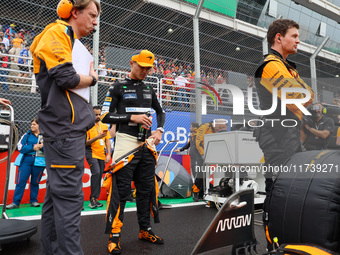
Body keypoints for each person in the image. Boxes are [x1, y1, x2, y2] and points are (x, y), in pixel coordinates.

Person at [30, 0, 101, 254]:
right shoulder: (57, 32)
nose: (95, 22)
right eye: (91, 15)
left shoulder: (71, 40)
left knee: (55, 201)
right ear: (74, 12)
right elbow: (66, 78)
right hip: (65, 132)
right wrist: (93, 78)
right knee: (70, 203)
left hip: (67, 132)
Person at [253, 19, 314, 248]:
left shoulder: (287, 67)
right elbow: (297, 98)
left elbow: (309, 95)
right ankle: (274, 245)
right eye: (295, 36)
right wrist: (303, 95)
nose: (299, 40)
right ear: (279, 38)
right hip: (276, 135)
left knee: (290, 189)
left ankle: (286, 241)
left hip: (287, 134)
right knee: (279, 190)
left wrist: (303, 95)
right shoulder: (270, 64)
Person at [101, 49, 166, 254]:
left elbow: (160, 111)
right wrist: (132, 118)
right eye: (142, 67)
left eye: (148, 69)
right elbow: (104, 116)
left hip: (146, 144)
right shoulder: (117, 87)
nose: (145, 72)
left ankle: (145, 229)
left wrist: (160, 130)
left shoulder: (149, 88)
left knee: (146, 190)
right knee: (120, 191)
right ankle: (114, 237)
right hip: (125, 144)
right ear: (131, 63)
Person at [6, 118, 45, 209]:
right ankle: (15, 202)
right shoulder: (26, 135)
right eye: (31, 124)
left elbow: (49, 149)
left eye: (34, 124)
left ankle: (34, 201)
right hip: (26, 161)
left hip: (40, 162)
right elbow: (20, 148)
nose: (32, 126)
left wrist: (42, 147)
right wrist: (33, 147)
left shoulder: (46, 136)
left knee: (35, 182)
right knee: (21, 182)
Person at [191, 119, 227, 201]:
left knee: (207, 172)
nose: (219, 130)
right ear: (216, 124)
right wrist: (203, 154)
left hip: (207, 153)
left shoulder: (214, 130)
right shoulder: (204, 127)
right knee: (201, 172)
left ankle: (202, 192)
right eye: (219, 127)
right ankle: (195, 191)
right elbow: (198, 142)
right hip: (199, 152)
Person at [86, 106, 111, 209]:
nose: (98, 116)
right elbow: (85, 143)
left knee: (99, 174)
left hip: (102, 154)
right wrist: (97, 137)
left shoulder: (104, 125)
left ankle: (95, 199)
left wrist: (109, 154)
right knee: (96, 172)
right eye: (96, 114)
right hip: (91, 153)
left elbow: (107, 140)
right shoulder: (87, 126)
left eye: (99, 114)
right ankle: (92, 199)